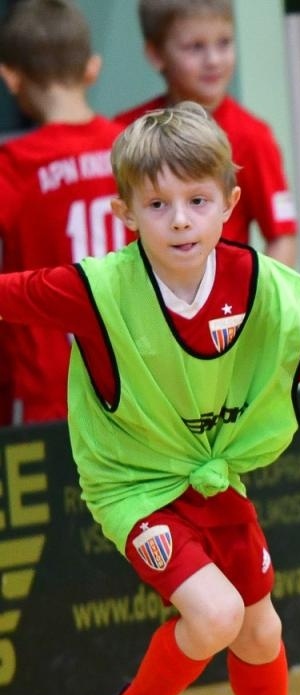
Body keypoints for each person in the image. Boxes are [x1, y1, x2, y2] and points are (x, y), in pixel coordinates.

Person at [0, 102, 300, 695]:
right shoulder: (95, 289)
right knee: (219, 614)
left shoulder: (250, 279)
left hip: (210, 474)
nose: (181, 220)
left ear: (230, 201)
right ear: (125, 212)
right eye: (158, 205)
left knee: (263, 631)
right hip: (133, 486)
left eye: (197, 201)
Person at [0, 0, 127, 423]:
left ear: (10, 78)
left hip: (48, 393)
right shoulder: (132, 149)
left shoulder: (15, 164)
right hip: (135, 386)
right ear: (93, 69)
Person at [116, 0, 298, 266]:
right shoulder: (124, 132)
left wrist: (258, 304)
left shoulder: (251, 135)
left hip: (221, 304)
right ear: (156, 54)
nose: (213, 60)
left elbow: (282, 236)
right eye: (195, 47)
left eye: (224, 42)